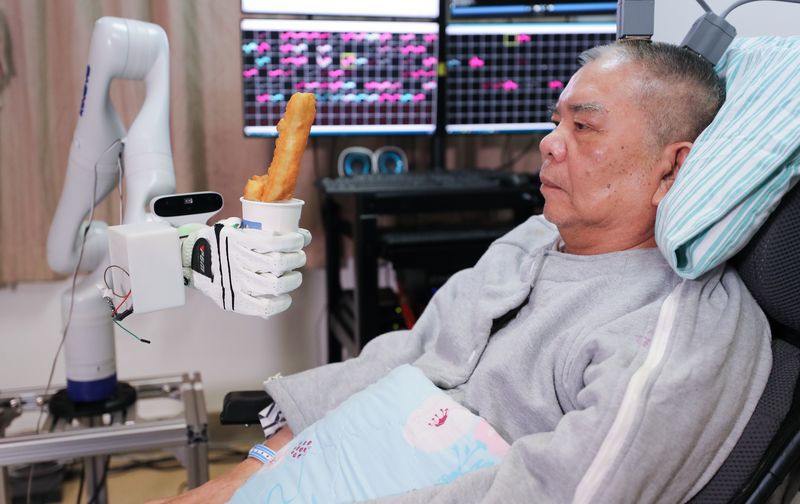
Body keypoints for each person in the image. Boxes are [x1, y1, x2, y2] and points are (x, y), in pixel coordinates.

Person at [159, 40, 772, 503]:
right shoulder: (535, 239)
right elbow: (412, 353)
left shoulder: (672, 332)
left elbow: (561, 492)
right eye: (556, 121)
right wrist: (254, 469)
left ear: (673, 168)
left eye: (583, 127)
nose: (550, 143)